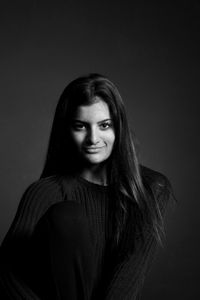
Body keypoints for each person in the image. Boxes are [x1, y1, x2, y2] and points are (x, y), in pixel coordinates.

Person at [0, 73, 172, 299]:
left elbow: (130, 274)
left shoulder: (151, 188)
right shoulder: (45, 192)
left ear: (119, 128)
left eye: (104, 125)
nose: (93, 138)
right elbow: (7, 273)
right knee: (67, 215)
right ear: (67, 131)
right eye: (81, 126)